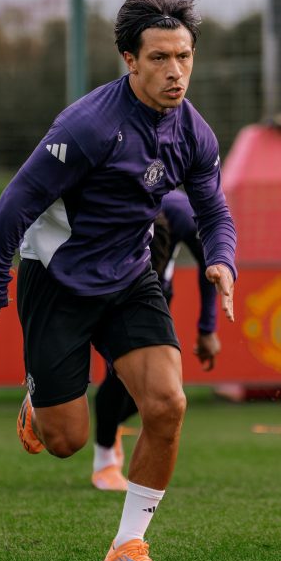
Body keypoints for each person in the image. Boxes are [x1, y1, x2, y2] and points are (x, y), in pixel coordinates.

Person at [0, 0, 237, 561]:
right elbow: (16, 202)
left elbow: (214, 212)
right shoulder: (88, 125)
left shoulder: (194, 133)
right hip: (59, 281)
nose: (175, 71)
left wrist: (222, 261)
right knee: (66, 441)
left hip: (130, 277)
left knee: (167, 404)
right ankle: (39, 405)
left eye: (183, 56)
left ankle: (128, 546)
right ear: (130, 59)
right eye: (159, 58)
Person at [91, 188, 222, 491]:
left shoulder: (181, 213)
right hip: (107, 288)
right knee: (117, 376)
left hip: (154, 297)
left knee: (160, 390)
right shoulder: (107, 204)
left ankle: (107, 439)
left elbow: (210, 262)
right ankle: (104, 458)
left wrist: (207, 328)